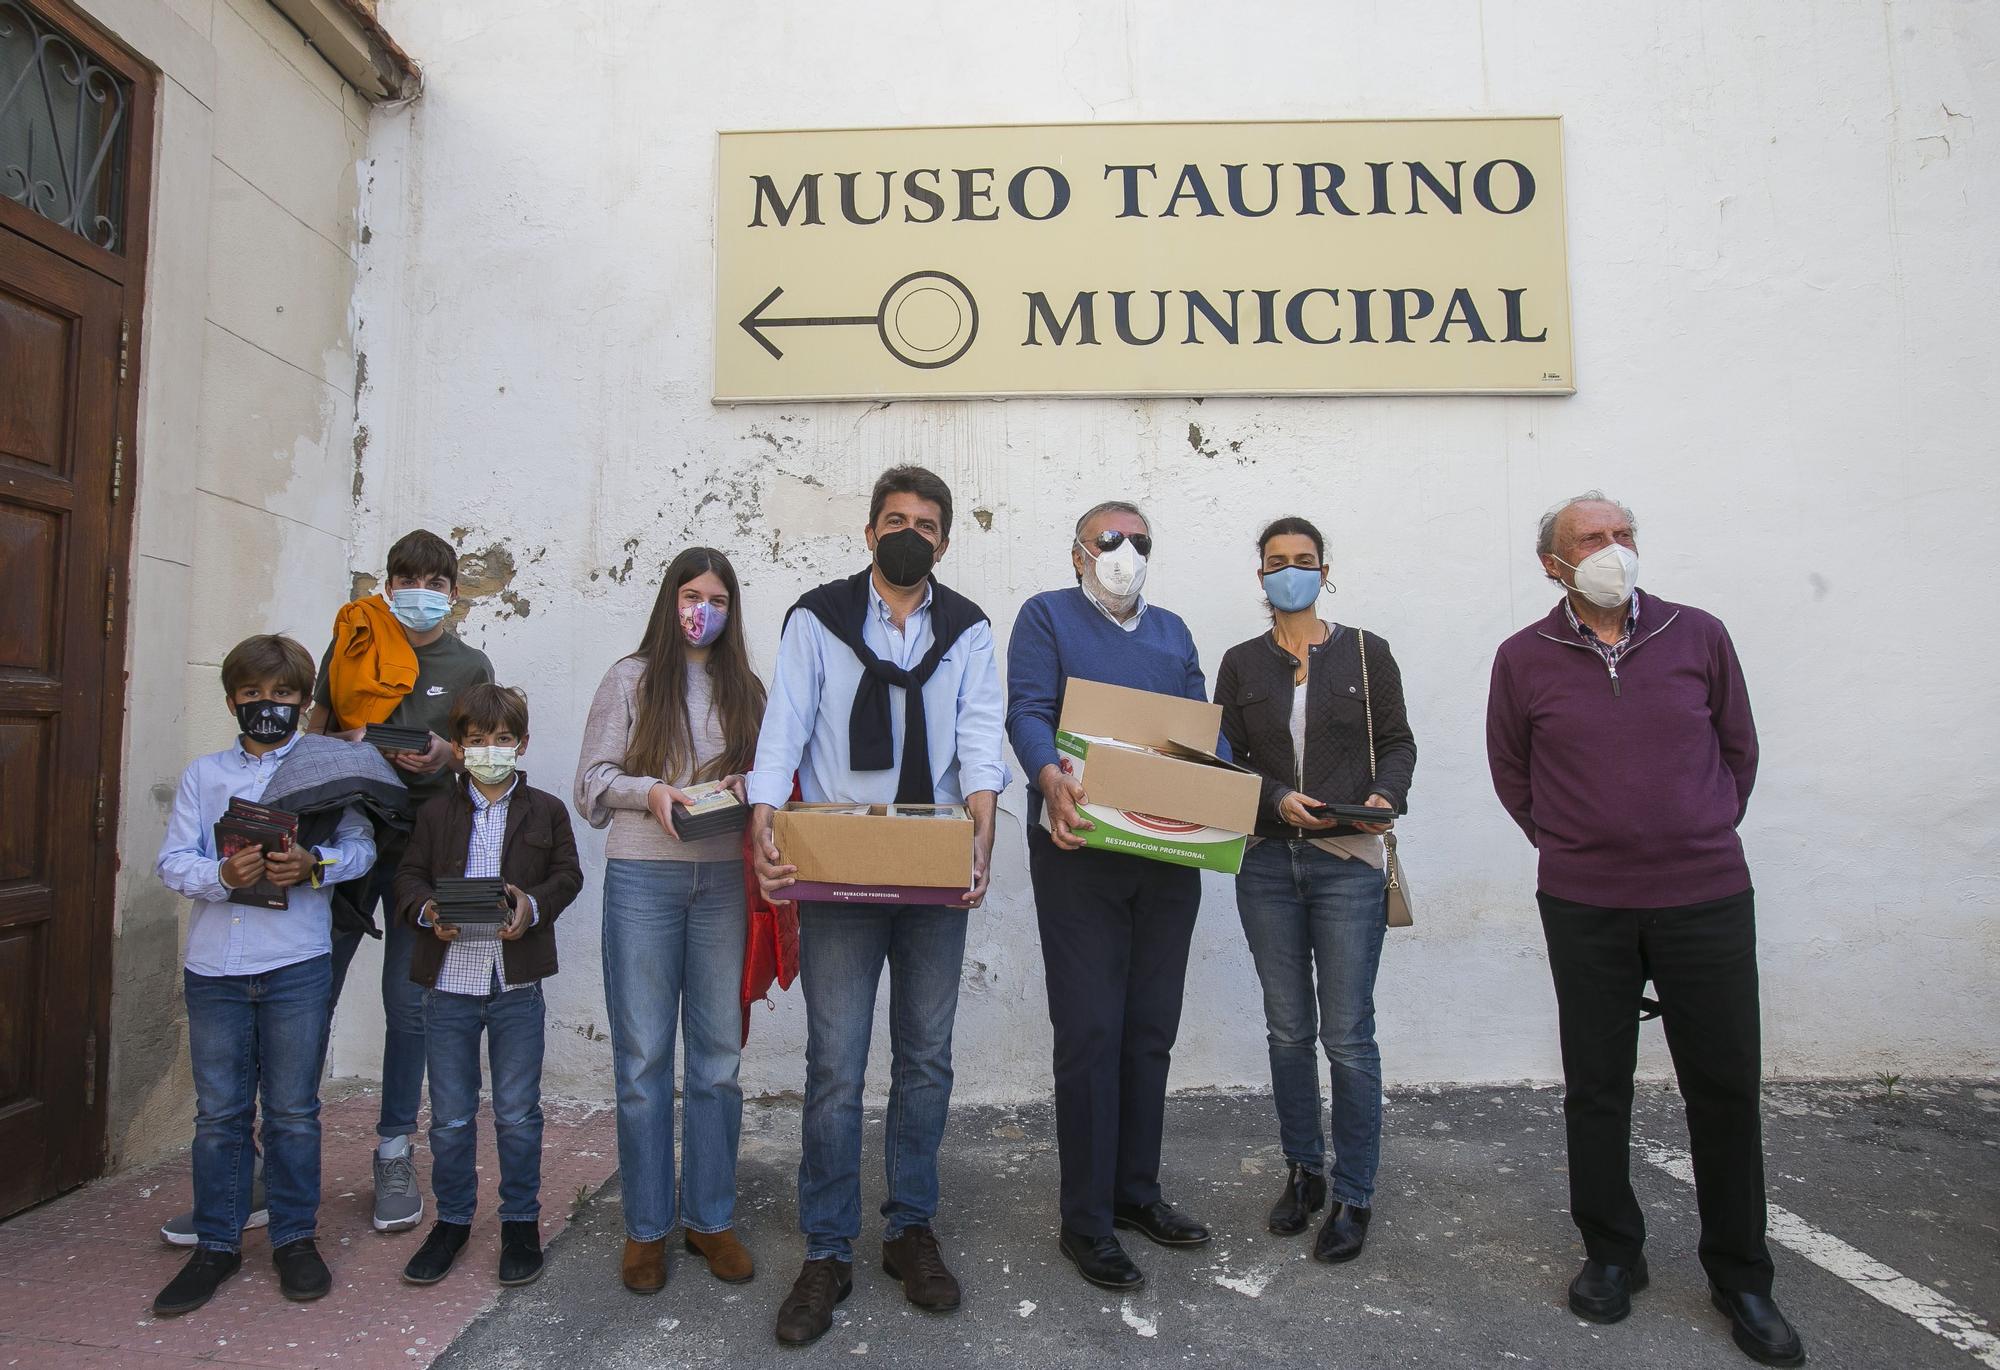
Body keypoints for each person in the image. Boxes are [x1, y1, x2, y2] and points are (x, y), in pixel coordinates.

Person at [1486, 492, 1802, 1367]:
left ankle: (1741, 1274)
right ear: (1554, 563)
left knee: (1726, 1085)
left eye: (1624, 535)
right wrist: (1573, 840)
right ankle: (1612, 1254)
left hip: (1704, 894)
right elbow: (1512, 768)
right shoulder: (1523, 658)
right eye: (1592, 538)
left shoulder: (1698, 635)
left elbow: (1739, 750)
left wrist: (1696, 828)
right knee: (1597, 1084)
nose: (1613, 549)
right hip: (1586, 900)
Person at [748, 465, 1006, 1346]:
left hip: (934, 867)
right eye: (894, 519)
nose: (910, 532)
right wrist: (762, 820)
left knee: (926, 1058)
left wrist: (984, 831)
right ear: (868, 534)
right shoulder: (817, 619)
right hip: (840, 867)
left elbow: (978, 735)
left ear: (943, 541)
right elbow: (784, 721)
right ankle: (826, 1248)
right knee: (835, 1065)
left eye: (926, 524)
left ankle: (909, 1230)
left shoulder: (967, 629)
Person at [1004, 499, 1215, 1292]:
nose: (1125, 553)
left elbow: (1204, 731)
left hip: (1167, 850)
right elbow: (1027, 711)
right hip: (1079, 846)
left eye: (1140, 543)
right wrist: (1049, 777)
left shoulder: (1173, 633)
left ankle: (1136, 1193)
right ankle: (1085, 1220)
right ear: (1078, 553)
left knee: (1150, 1027)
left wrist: (1224, 784)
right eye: (1109, 540)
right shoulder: (1047, 618)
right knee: (1091, 1031)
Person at [151, 635, 377, 1316]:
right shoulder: (203, 775)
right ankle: (216, 1244)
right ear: (231, 701)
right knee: (219, 1115)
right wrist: (220, 875)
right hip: (216, 967)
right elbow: (172, 863)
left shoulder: (331, 770)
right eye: (253, 696)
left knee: (292, 1112)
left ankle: (294, 1240)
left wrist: (315, 865)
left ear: (304, 703)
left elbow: (362, 849)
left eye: (282, 696)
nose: (267, 707)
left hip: (296, 964)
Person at [1216, 517, 1415, 1264]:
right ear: (1260, 576)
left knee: (1348, 1037)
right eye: (1276, 562)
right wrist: (1273, 797)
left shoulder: (1366, 652)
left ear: (1324, 570)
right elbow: (1223, 759)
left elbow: (1398, 741)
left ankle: (1354, 1193)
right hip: (1268, 862)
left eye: (1302, 561)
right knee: (1288, 1031)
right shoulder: (1240, 663)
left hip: (1346, 860)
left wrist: (1385, 793)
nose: (1289, 571)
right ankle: (1304, 1169)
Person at [574, 548, 767, 1295]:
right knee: (644, 1062)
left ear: (731, 608)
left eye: (717, 598)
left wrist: (754, 785)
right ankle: (645, 1228)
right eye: (692, 595)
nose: (703, 610)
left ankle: (710, 1218)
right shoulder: (630, 678)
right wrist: (651, 791)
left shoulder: (746, 688)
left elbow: (775, 777)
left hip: (721, 882)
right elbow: (592, 781)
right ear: (670, 599)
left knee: (717, 1061)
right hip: (643, 881)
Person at [307, 528, 494, 1234]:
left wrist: (447, 754)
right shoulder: (352, 642)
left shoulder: (470, 662)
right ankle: (280, 1153)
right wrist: (347, 749)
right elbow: (313, 732)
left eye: (435, 581)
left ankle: (392, 1150)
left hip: (428, 849)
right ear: (389, 582)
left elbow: (485, 753)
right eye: (406, 578)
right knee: (311, 992)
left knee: (408, 1005)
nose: (420, 592)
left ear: (453, 590)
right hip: (347, 837)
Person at [393, 683, 582, 1289]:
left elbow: (568, 876)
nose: (490, 750)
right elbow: (409, 878)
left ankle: (520, 1222)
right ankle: (452, 1221)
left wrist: (532, 904)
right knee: (449, 1116)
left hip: (515, 983)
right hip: (446, 985)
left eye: (503, 740)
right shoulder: (436, 813)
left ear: (522, 744)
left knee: (518, 1113)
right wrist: (428, 914)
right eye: (477, 741)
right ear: (458, 747)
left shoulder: (546, 810)